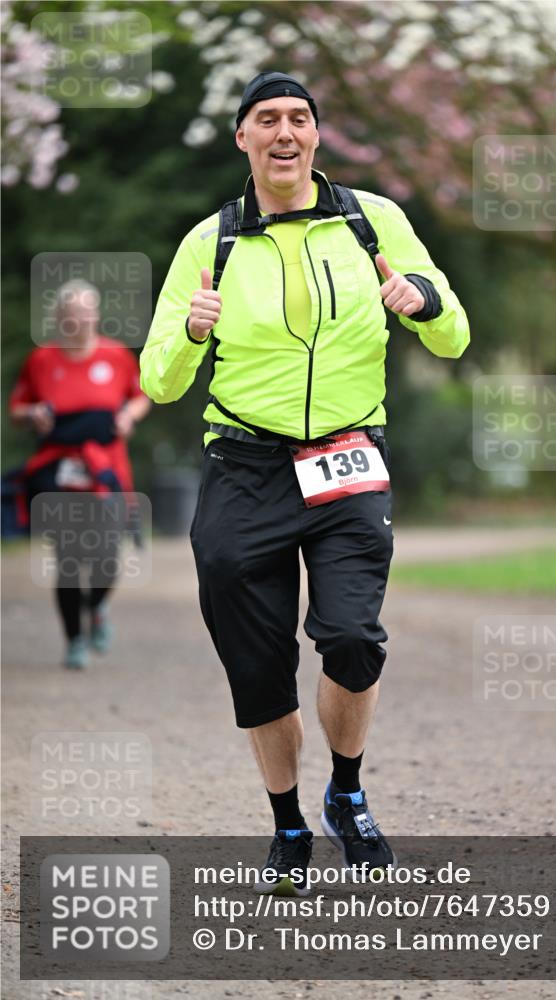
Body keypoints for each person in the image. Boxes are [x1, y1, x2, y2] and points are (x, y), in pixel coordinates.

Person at [140, 71, 469, 895]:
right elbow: (158, 382)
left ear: (316, 137)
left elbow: (455, 336)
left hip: (348, 461)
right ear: (243, 139)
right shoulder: (209, 242)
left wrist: (420, 298)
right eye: (266, 120)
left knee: (353, 637)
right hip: (244, 468)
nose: (284, 132)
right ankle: (286, 820)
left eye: (298, 118)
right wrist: (188, 330)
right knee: (256, 667)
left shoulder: (372, 222)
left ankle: (346, 792)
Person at [9, 279, 151, 669]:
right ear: (59, 318)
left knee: (107, 555)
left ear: (97, 314)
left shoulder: (116, 356)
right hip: (60, 471)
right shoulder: (41, 361)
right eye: (72, 313)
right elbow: (17, 408)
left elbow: (140, 396)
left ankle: (97, 606)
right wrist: (33, 415)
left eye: (87, 311)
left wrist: (127, 416)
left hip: (105, 470)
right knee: (70, 557)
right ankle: (74, 641)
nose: (81, 319)